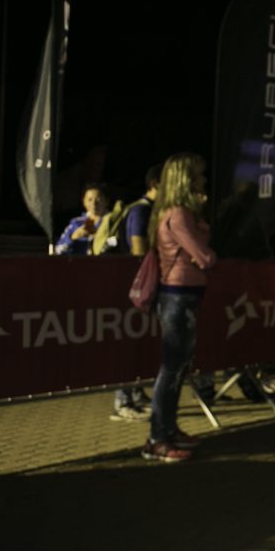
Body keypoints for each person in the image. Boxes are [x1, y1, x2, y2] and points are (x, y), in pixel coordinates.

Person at [142, 152, 217, 463]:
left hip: (182, 294)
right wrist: (206, 250)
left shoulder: (177, 212)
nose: (203, 180)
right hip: (178, 295)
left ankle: (167, 430)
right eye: (198, 174)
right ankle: (158, 438)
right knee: (172, 367)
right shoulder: (179, 214)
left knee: (178, 366)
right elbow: (204, 256)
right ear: (186, 179)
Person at [110, 164, 162, 422]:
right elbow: (138, 250)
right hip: (136, 289)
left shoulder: (153, 210)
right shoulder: (141, 210)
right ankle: (123, 400)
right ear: (155, 184)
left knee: (141, 345)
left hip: (145, 289)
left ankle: (137, 394)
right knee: (129, 345)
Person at [54, 182, 110, 255]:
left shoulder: (113, 221)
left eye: (98, 199)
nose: (94, 203)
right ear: (83, 202)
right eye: (89, 199)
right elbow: (58, 251)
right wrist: (73, 237)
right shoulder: (76, 223)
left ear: (107, 201)